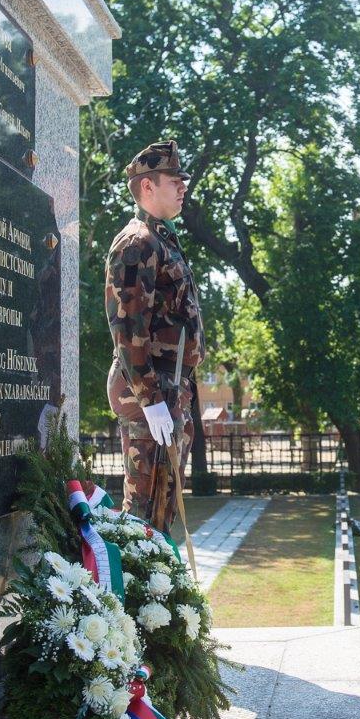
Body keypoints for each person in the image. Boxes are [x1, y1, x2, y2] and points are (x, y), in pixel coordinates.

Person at [105, 140, 205, 530]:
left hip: (169, 384)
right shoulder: (137, 242)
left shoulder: (161, 240)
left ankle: (156, 591)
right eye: (173, 180)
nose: (183, 187)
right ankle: (135, 591)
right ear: (147, 186)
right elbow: (127, 329)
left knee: (161, 512)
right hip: (148, 388)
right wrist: (150, 400)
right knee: (144, 517)